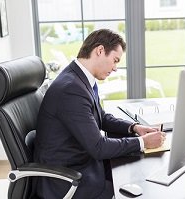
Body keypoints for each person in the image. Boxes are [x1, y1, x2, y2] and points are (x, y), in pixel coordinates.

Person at [34, 29, 166, 199]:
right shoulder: (71, 89)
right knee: (136, 187)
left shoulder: (79, 77)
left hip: (83, 163)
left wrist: (135, 128)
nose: (115, 68)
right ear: (100, 50)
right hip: (69, 178)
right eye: (115, 60)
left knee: (137, 172)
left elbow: (101, 118)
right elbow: (98, 147)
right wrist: (142, 143)